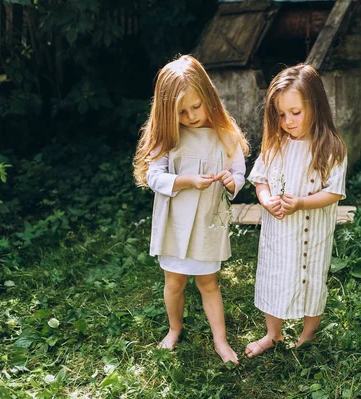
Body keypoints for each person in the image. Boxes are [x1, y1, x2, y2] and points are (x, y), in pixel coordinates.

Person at [133, 55, 249, 365]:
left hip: (207, 222)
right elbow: (154, 176)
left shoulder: (225, 134)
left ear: (208, 98)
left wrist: (230, 181)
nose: (190, 116)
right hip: (175, 223)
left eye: (195, 107)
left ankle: (221, 341)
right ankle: (174, 329)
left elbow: (239, 172)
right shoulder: (168, 136)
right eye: (181, 112)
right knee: (174, 282)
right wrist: (185, 180)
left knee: (209, 283)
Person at [245, 64, 347, 357]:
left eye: (295, 112)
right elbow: (260, 181)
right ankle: (273, 334)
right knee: (274, 275)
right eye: (280, 114)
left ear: (315, 106)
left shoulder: (330, 148)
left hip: (312, 232)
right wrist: (265, 201)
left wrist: (301, 202)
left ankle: (308, 335)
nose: (288, 121)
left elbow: (334, 192)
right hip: (279, 230)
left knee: (312, 277)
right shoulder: (275, 145)